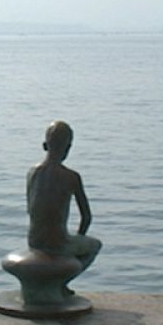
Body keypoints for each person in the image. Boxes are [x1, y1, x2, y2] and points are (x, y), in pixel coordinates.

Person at [26, 121, 101, 292]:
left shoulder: (32, 173)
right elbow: (86, 217)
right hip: (59, 243)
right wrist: (79, 237)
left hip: (34, 240)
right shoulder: (71, 177)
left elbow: (30, 208)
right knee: (95, 245)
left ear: (44, 145)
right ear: (68, 148)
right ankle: (62, 283)